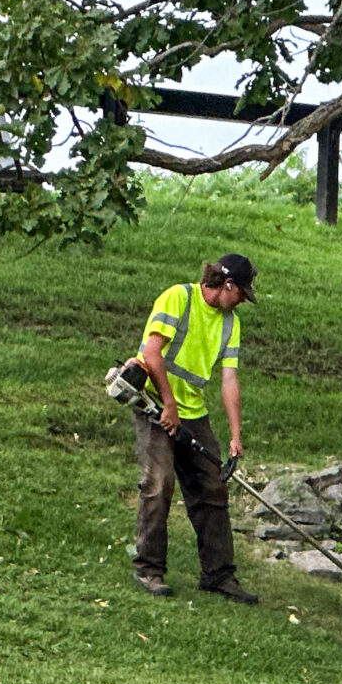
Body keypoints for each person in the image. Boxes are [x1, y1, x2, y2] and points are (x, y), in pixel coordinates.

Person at [131, 253, 258, 603]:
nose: (242, 301)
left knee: (212, 487)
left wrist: (235, 436)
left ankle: (218, 575)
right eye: (242, 294)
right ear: (227, 285)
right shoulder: (178, 297)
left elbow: (229, 379)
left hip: (193, 412)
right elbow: (152, 353)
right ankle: (149, 569)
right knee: (159, 483)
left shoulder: (231, 323)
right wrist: (169, 405)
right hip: (154, 403)